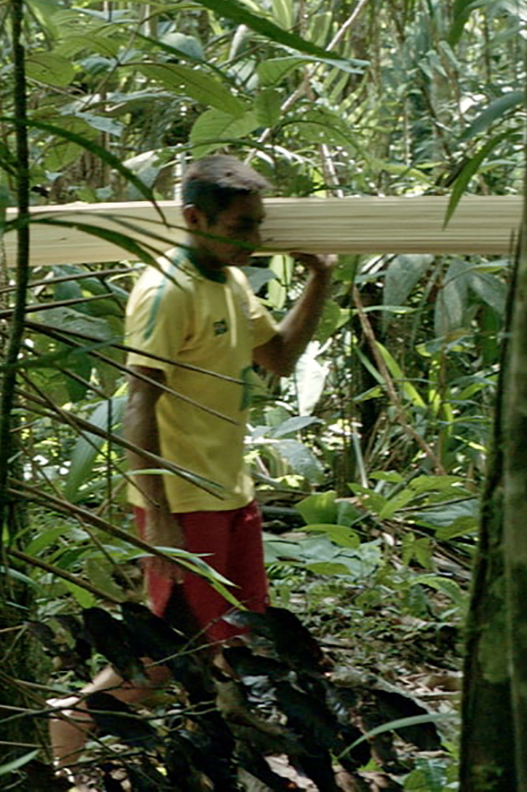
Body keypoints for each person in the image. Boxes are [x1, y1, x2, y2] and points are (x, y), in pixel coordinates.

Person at [49, 154, 335, 774]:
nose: (253, 240)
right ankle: (62, 737)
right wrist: (159, 518)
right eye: (240, 227)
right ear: (193, 218)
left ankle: (219, 759)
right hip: (183, 502)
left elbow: (278, 357)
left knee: (234, 640)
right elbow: (138, 407)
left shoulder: (230, 280)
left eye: (257, 225)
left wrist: (321, 277)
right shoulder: (165, 292)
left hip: (231, 493)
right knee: (169, 653)